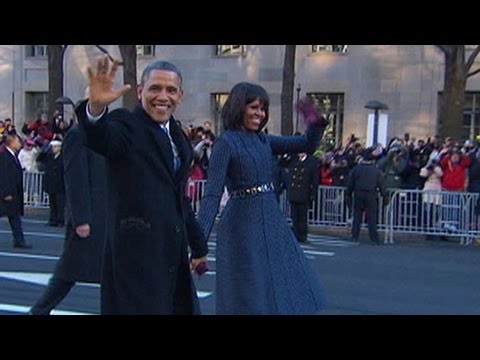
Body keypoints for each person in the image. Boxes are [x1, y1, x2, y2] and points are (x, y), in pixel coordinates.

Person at [76, 55, 208, 315]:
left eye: (171, 90)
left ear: (180, 95)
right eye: (155, 88)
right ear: (140, 91)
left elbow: (178, 197)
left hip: (171, 254)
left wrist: (199, 245)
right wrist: (94, 111)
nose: (163, 96)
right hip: (135, 258)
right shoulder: (126, 124)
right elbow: (102, 138)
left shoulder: (178, 135)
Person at [196, 82, 327, 315]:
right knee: (249, 292)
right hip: (242, 225)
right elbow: (213, 194)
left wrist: (315, 121)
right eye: (254, 107)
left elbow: (306, 143)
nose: (260, 113)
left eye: (263, 108)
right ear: (238, 107)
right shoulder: (225, 143)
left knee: (283, 284)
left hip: (270, 219)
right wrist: (199, 244)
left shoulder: (263, 140)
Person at [29, 120, 108, 315]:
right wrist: (81, 218)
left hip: (106, 214)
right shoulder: (77, 135)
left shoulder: (104, 134)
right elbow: (75, 177)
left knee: (114, 274)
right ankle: (39, 310)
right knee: (68, 271)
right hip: (89, 216)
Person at [346, 148, 387, 245]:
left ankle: (354, 235)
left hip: (358, 193)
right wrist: (384, 196)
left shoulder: (356, 169)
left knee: (357, 216)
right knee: (372, 217)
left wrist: (348, 194)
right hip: (371, 194)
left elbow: (350, 183)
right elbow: (381, 184)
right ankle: (374, 237)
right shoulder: (376, 170)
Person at [0, 134, 32, 249]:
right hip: (8, 193)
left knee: (14, 217)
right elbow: (3, 176)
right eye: (18, 141)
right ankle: (19, 240)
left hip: (14, 192)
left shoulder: (13, 155)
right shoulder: (4, 156)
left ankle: (19, 240)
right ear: (12, 142)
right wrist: (5, 192)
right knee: (13, 216)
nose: (20, 144)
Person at [286, 151, 319, 243]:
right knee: (294, 218)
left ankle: (303, 236)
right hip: (294, 194)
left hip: (304, 194)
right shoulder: (294, 160)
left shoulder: (311, 162)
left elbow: (315, 180)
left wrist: (313, 194)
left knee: (302, 218)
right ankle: (296, 236)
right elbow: (282, 164)